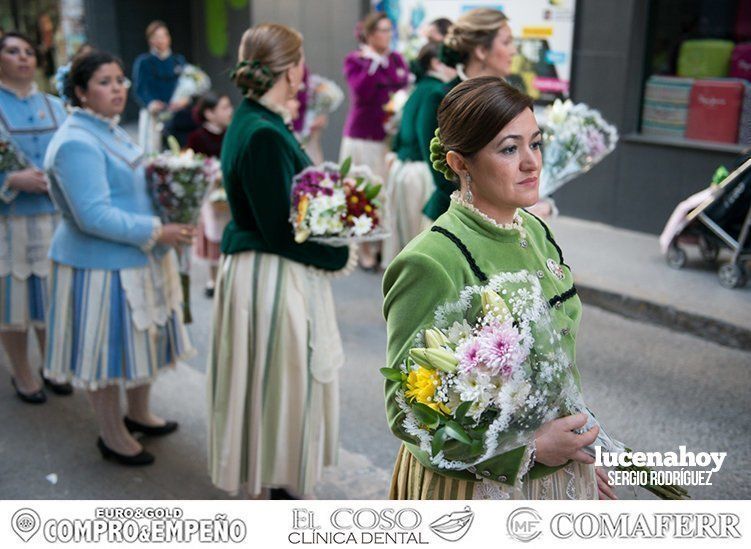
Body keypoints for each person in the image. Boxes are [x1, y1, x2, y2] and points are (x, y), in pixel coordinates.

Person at [383, 77, 616, 500]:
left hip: (556, 474)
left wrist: (573, 452)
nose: (532, 163)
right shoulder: (432, 260)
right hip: (476, 490)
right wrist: (527, 452)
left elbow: (554, 363)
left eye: (536, 143)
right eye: (509, 149)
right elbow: (408, 413)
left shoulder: (534, 230)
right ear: (460, 163)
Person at [207, 24, 353, 499]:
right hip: (268, 274)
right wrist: (337, 251)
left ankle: (279, 480)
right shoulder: (263, 131)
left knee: (268, 387)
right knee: (282, 386)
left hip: (258, 268)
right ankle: (281, 487)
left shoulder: (255, 117)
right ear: (291, 69)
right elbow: (278, 229)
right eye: (302, 60)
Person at [44, 51, 195, 466]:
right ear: (80, 92)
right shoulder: (76, 140)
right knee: (107, 356)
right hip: (101, 266)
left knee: (140, 347)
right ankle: (111, 435)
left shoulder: (109, 130)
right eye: (105, 82)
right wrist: (156, 231)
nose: (118, 89)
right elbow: (93, 216)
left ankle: (139, 413)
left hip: (137, 258)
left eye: (120, 80)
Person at [0, 32, 70, 403]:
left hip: (52, 218)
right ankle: (22, 372)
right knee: (12, 302)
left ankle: (52, 364)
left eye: (28, 51)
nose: (23, 58)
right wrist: (10, 179)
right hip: (7, 221)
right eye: (13, 52)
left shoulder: (56, 106)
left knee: (50, 297)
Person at [423, 8, 517, 221]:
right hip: (452, 220)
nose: (514, 51)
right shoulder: (440, 97)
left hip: (506, 216)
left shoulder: (511, 97)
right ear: (482, 51)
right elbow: (442, 174)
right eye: (507, 42)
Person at [342, 11, 410, 271]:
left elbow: (403, 83)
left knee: (385, 191)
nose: (388, 35)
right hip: (363, 136)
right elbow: (362, 91)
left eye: (390, 30)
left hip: (389, 137)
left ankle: (383, 246)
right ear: (370, 35)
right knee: (363, 190)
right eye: (382, 30)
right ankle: (365, 248)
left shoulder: (396, 59)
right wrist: (373, 64)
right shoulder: (356, 61)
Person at [380, 42, 455, 268]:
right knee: (418, 242)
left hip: (403, 168)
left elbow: (401, 132)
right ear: (436, 63)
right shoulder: (434, 92)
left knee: (405, 236)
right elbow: (425, 139)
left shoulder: (416, 90)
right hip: (420, 172)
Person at [187, 92, 233, 297]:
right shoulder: (196, 138)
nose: (230, 111)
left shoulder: (231, 133)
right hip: (210, 196)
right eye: (224, 107)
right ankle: (213, 278)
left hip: (229, 194)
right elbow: (193, 167)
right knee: (212, 232)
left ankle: (229, 274)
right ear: (209, 113)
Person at [132, 21, 187, 154]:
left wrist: (184, 100)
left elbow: (186, 85)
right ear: (150, 40)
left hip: (176, 115)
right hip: (153, 116)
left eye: (164, 36)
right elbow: (139, 89)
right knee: (153, 152)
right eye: (156, 36)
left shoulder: (178, 60)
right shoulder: (143, 62)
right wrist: (151, 103)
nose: (161, 40)